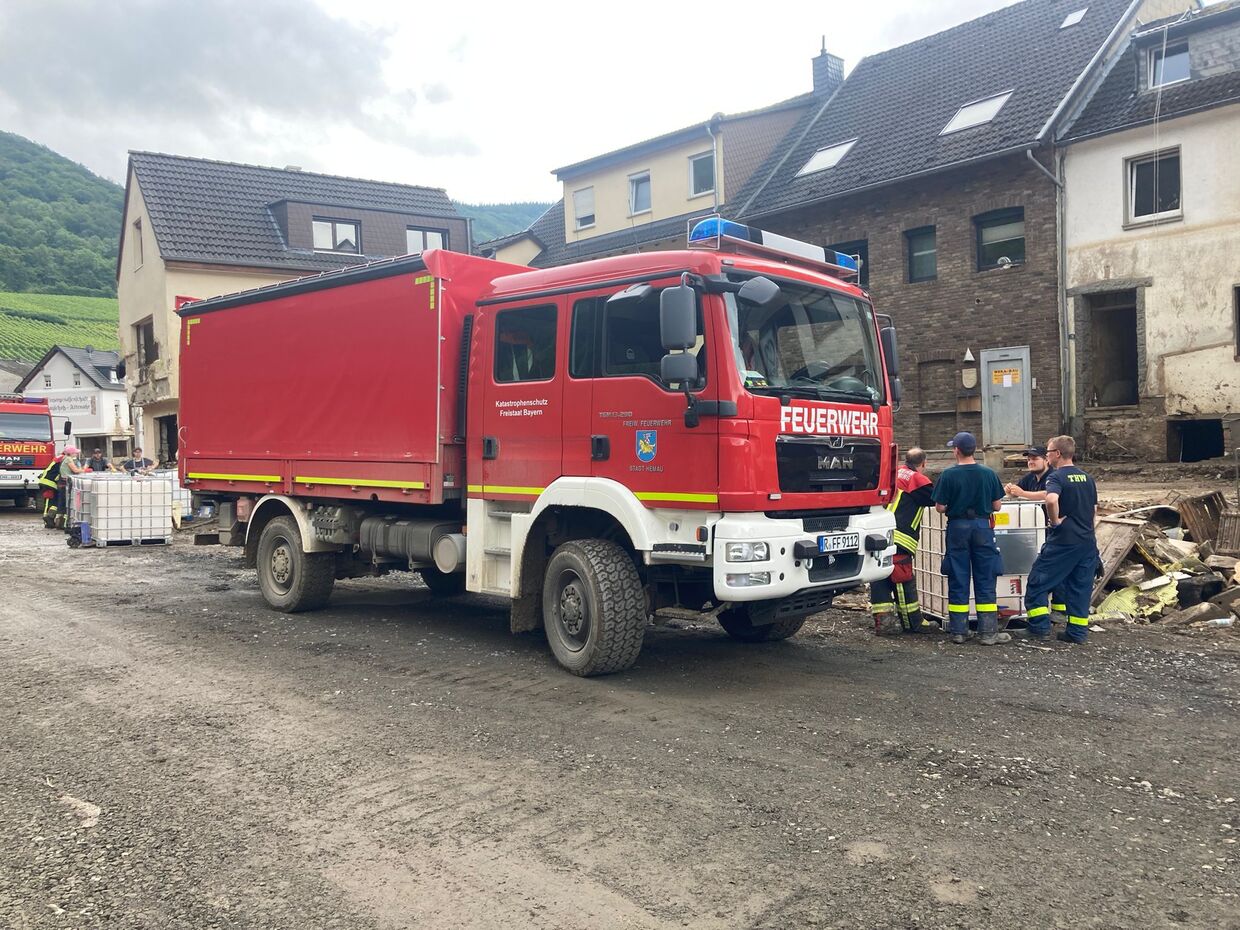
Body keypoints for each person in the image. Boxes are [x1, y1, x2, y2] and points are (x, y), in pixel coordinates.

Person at [932, 432, 1009, 645]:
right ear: (974, 450)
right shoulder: (988, 473)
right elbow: (997, 506)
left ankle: (959, 631)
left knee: (958, 576)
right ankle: (988, 633)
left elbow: (940, 507)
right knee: (986, 577)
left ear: (956, 450)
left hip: (958, 528)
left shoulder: (948, 475)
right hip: (983, 528)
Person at [1022, 436, 1099, 645]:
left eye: (1048, 452)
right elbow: (1093, 510)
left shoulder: (1057, 477)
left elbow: (1051, 499)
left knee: (1037, 582)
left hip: (1064, 541)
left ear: (1057, 453)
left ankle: (1039, 628)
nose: (1047, 456)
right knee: (1079, 588)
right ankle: (1077, 633)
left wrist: (1055, 521)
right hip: (1087, 541)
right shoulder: (1087, 478)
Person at [870, 447, 938, 635]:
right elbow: (938, 500)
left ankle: (884, 623)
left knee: (879, 577)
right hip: (901, 538)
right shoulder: (918, 481)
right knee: (902, 579)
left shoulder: (895, 473)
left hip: (879, 533)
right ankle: (913, 623)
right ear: (923, 463)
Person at [1005, 445, 1069, 623]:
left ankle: (1059, 610)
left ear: (1046, 460)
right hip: (1036, 531)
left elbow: (1048, 495)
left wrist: (1022, 493)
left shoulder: (1053, 476)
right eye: (1028, 459)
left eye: (1035, 458)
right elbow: (1017, 491)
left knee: (1055, 569)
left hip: (1053, 530)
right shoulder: (1030, 478)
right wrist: (1011, 490)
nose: (1031, 462)